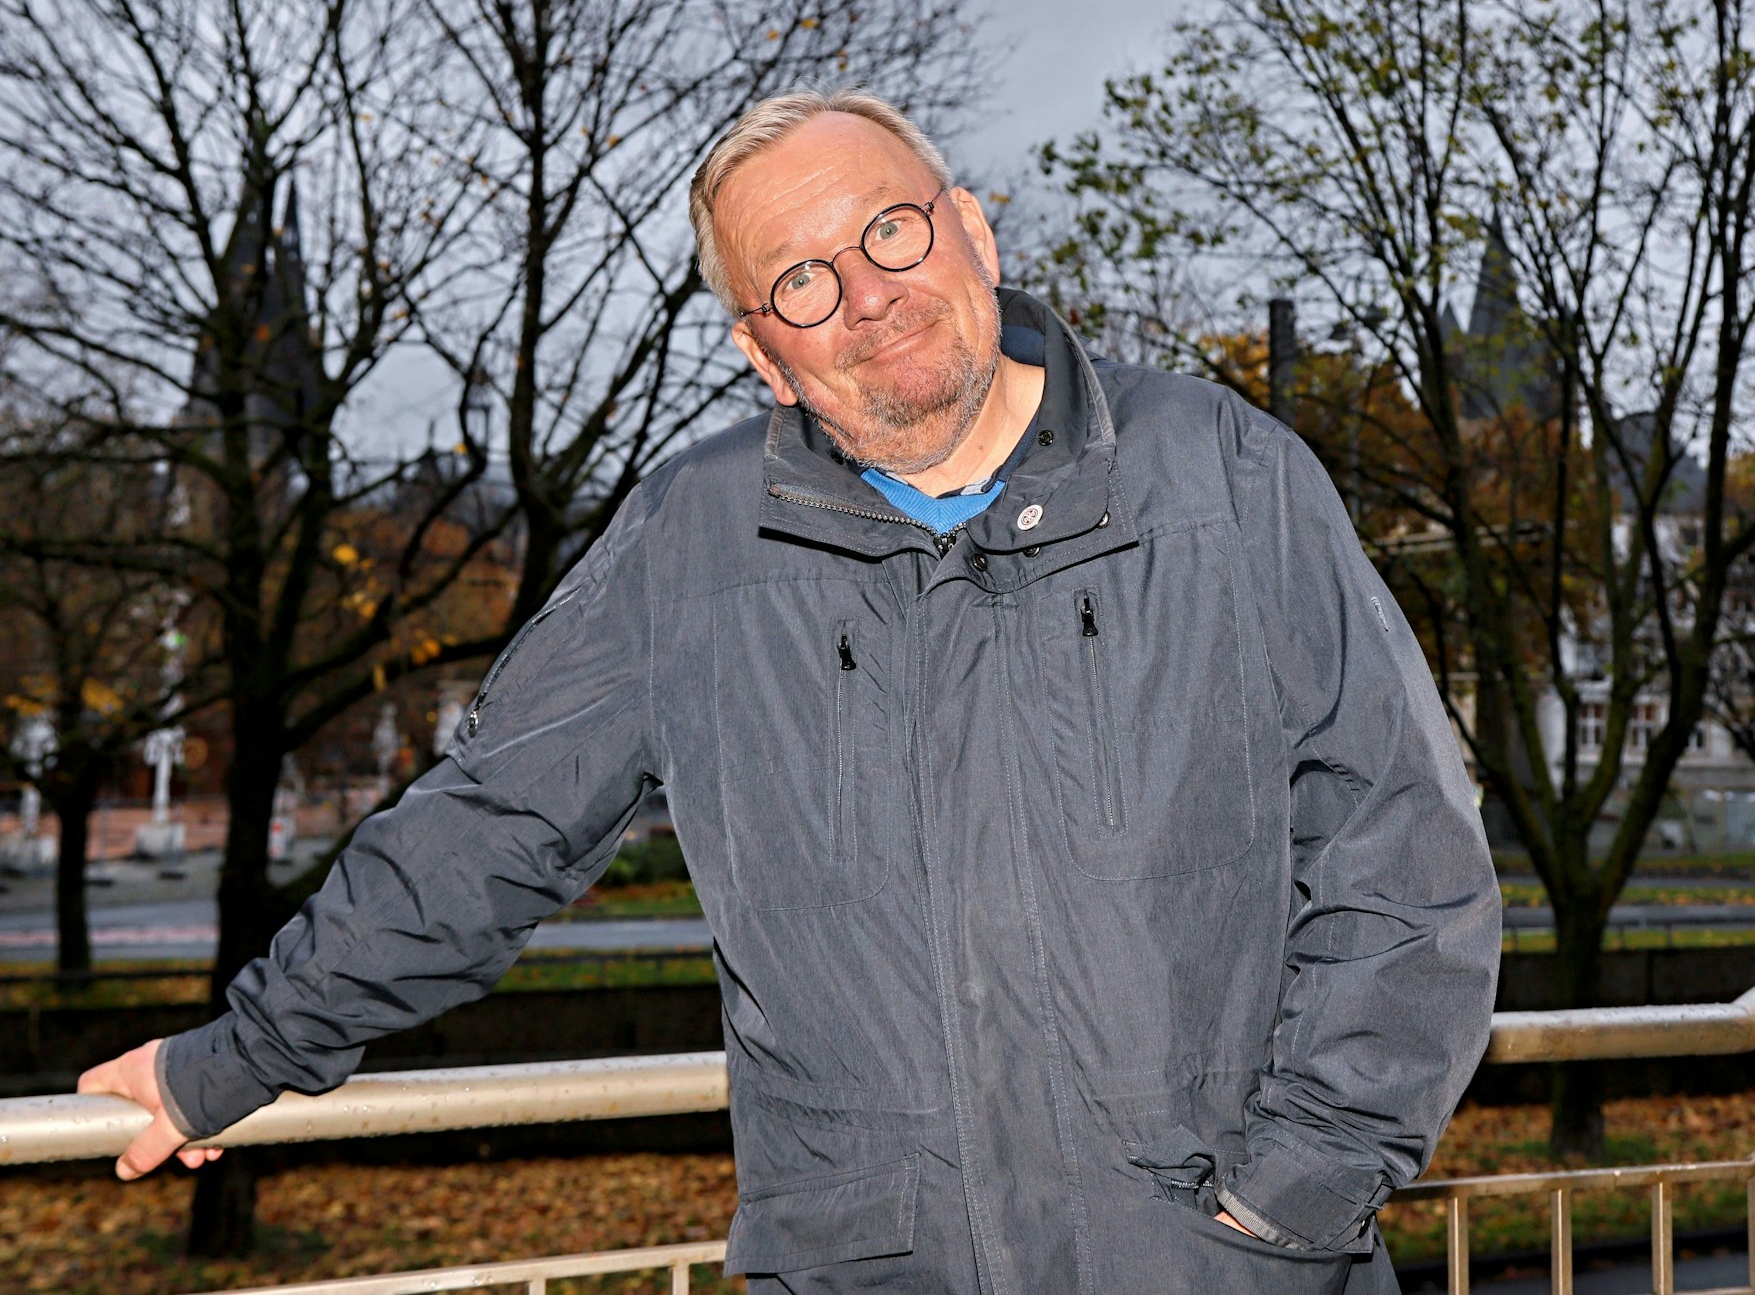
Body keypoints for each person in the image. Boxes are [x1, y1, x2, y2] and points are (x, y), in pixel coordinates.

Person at [81, 88, 1501, 1294]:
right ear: (764, 351)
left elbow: (1405, 854)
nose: (866, 292)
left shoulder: (1221, 478)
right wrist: (238, 1055)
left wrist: (1296, 1195)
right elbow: (488, 827)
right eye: (803, 280)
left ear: (972, 230)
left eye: (890, 230)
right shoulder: (692, 547)